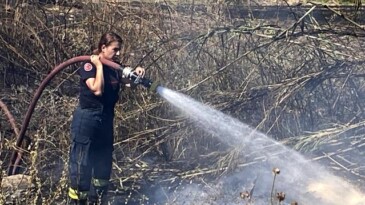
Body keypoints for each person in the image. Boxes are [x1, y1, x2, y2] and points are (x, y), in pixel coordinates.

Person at [67, 32, 145, 205]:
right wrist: (99, 65)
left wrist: (137, 75)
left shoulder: (114, 68)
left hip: (105, 120)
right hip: (87, 120)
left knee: (103, 163)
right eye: (114, 49)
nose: (118, 53)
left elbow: (128, 84)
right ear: (103, 48)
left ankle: (98, 199)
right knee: (82, 164)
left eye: (119, 50)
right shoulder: (89, 65)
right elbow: (97, 89)